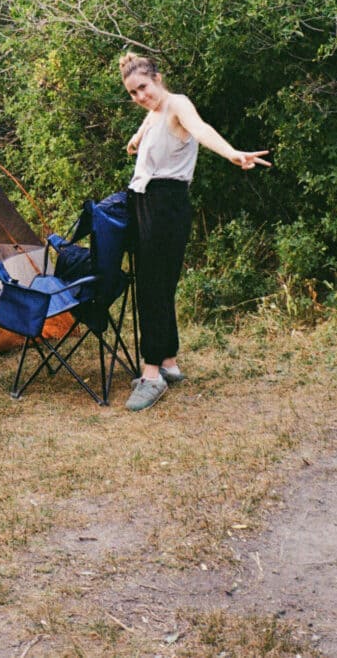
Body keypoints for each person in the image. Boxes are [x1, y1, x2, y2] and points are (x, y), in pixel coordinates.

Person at [119, 52, 270, 411]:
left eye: (143, 87)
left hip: (165, 204)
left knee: (153, 288)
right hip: (146, 201)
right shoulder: (154, 112)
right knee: (158, 284)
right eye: (133, 93)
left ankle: (151, 374)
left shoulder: (177, 105)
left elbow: (200, 130)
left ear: (157, 77)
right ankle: (168, 362)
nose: (140, 97)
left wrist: (232, 153)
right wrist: (135, 140)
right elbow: (148, 126)